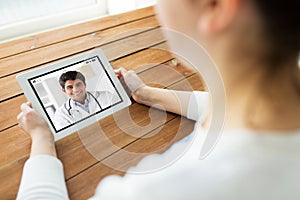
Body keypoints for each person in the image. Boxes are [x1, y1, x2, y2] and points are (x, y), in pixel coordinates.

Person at [17, 0, 300, 199]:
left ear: (215, 5)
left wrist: (42, 137)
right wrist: (147, 94)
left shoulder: (168, 189)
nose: (157, 8)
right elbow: (226, 106)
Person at [54, 71, 120, 130]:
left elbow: (121, 113)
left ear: (85, 85)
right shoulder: (61, 114)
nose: (75, 90)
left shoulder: (106, 95)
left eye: (78, 84)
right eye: (70, 87)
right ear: (64, 90)